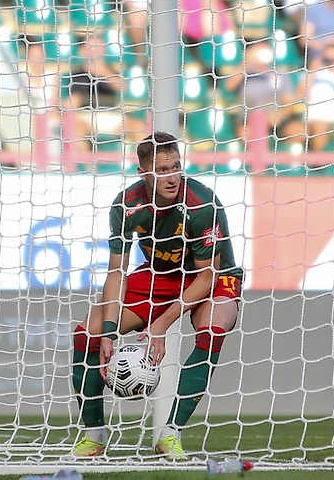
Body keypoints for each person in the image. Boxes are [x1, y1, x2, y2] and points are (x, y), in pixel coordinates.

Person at [70, 131, 244, 461]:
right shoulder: (127, 204)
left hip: (212, 277)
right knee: (86, 334)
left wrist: (161, 324)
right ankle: (93, 434)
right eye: (162, 170)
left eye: (176, 167)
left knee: (213, 326)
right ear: (144, 173)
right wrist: (108, 332)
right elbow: (116, 273)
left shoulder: (201, 204)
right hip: (159, 276)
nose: (172, 177)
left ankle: (170, 433)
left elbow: (207, 275)